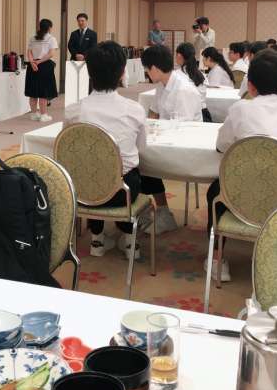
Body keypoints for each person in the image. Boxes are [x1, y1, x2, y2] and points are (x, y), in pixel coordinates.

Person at [206, 49, 277, 282]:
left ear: (250, 86)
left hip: (242, 196)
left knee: (215, 192)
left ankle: (217, 260)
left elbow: (221, 145)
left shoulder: (241, 109)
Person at [65, 41, 146, 260]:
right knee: (127, 172)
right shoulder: (134, 110)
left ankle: (97, 239)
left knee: (91, 168)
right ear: (122, 72)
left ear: (89, 73)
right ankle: (130, 241)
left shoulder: (73, 111)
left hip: (83, 192)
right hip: (122, 193)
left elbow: (69, 150)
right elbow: (141, 150)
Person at [141, 44, 203, 235]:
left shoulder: (183, 89)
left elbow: (182, 130)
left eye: (146, 69)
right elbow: (154, 112)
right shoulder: (163, 84)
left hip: (186, 147)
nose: (146, 73)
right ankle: (148, 210)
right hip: (168, 139)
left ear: (154, 68)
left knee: (141, 160)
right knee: (136, 157)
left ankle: (162, 213)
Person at [25, 18, 58, 123]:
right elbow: (51, 54)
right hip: (45, 66)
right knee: (44, 91)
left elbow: (29, 52)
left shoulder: (32, 38)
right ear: (49, 28)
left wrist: (32, 62)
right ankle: (43, 115)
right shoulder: (51, 38)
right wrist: (39, 62)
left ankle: (34, 114)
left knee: (33, 91)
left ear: (39, 27)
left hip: (32, 66)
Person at [175, 42, 211, 122]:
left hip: (186, 115)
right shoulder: (202, 75)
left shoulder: (176, 76)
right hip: (204, 114)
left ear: (179, 56)